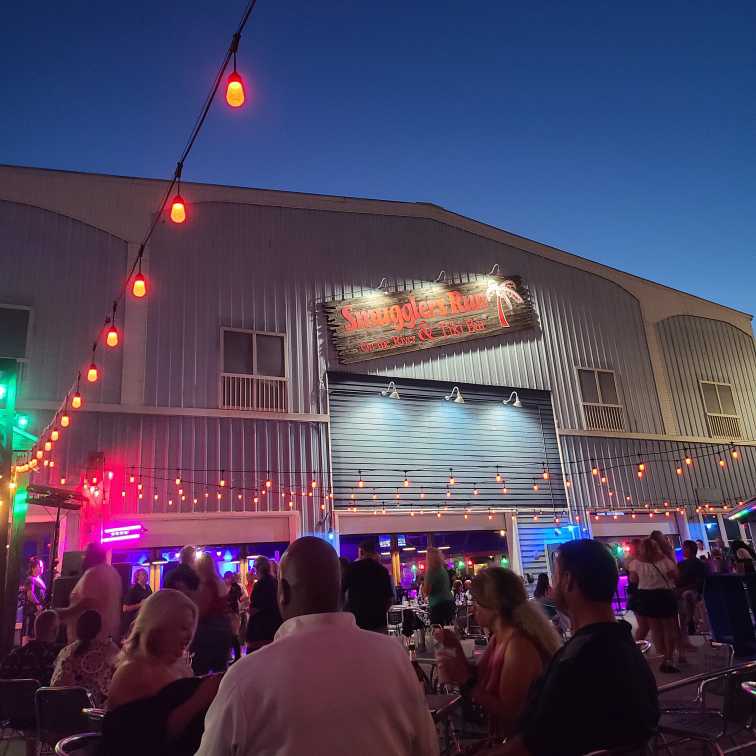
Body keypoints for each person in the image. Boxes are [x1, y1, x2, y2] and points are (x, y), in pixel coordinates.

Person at [195, 536, 439, 756]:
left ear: (283, 592)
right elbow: (428, 748)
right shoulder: (394, 658)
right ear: (340, 590)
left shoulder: (244, 678)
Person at [477, 539, 659, 756]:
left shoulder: (576, 664)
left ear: (568, 580)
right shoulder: (623, 644)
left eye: (555, 575)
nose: (552, 585)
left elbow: (532, 745)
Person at [435, 567, 562, 742]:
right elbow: (476, 674)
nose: (473, 608)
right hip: (502, 742)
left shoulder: (518, 646)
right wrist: (457, 649)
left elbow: (510, 717)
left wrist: (465, 679)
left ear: (495, 605)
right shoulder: (499, 637)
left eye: (478, 602)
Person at [101, 590, 223, 756]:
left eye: (191, 628)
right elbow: (148, 740)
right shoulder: (134, 670)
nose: (190, 635)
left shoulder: (179, 665)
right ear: (158, 628)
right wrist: (199, 699)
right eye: (183, 628)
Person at [628, 538, 680, 672]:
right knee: (669, 629)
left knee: (655, 629)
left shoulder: (636, 563)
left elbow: (633, 580)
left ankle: (661, 657)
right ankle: (669, 658)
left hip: (646, 597)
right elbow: (675, 575)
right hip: (665, 595)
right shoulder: (664, 561)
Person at [56, 542, 123, 643]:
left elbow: (87, 603)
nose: (83, 557)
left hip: (88, 640)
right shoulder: (112, 572)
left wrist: (64, 612)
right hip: (109, 636)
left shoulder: (93, 574)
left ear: (91, 554)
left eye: (85, 553)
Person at [51, 610, 119, 706]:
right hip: (92, 714)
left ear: (77, 628)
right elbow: (122, 671)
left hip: (59, 712)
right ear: (99, 628)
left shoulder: (64, 651)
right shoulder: (106, 647)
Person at [189, 554, 232, 675]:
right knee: (220, 669)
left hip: (208, 630)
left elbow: (201, 609)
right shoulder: (220, 582)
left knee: (199, 669)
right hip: (224, 628)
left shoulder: (207, 584)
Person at [342, 539, 394, 632]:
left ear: (361, 551)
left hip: (357, 622)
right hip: (379, 623)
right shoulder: (383, 571)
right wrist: (380, 613)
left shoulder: (352, 568)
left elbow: (341, 592)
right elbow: (390, 600)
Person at [0, 610, 62, 686]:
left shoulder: (13, 656)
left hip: (12, 698)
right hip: (45, 698)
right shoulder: (60, 657)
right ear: (56, 631)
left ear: (34, 629)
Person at [245, 556, 283, 652]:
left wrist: (247, 607)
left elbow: (255, 608)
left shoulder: (261, 584)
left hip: (260, 630)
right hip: (274, 627)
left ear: (257, 568)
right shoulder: (275, 582)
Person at [676, 540, 708, 636]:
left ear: (688, 549)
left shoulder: (698, 564)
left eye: (683, 548)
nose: (682, 550)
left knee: (688, 594)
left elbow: (699, 582)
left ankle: (690, 621)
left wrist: (684, 589)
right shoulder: (680, 564)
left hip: (694, 590)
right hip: (680, 589)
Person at [423, 546, 456, 626]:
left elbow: (427, 591)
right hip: (449, 601)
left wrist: (423, 583)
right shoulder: (442, 569)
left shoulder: (430, 571)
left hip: (438, 604)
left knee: (437, 631)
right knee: (447, 629)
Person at [122, 568, 153, 639]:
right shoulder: (133, 591)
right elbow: (125, 608)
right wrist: (139, 605)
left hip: (146, 621)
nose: (146, 575)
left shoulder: (148, 589)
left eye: (146, 573)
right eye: (144, 573)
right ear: (137, 576)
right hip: (135, 622)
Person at [22, 557, 46, 643]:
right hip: (31, 610)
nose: (42, 568)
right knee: (27, 631)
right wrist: (37, 604)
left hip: (38, 609)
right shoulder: (30, 579)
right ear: (33, 568)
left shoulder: (40, 581)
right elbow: (30, 593)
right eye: (40, 566)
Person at [224, 571, 244, 662]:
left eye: (229, 577)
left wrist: (243, 600)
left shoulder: (236, 586)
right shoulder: (223, 587)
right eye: (226, 577)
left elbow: (240, 597)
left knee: (234, 635)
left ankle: (237, 657)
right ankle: (228, 656)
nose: (228, 579)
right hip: (225, 613)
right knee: (227, 634)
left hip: (234, 612)